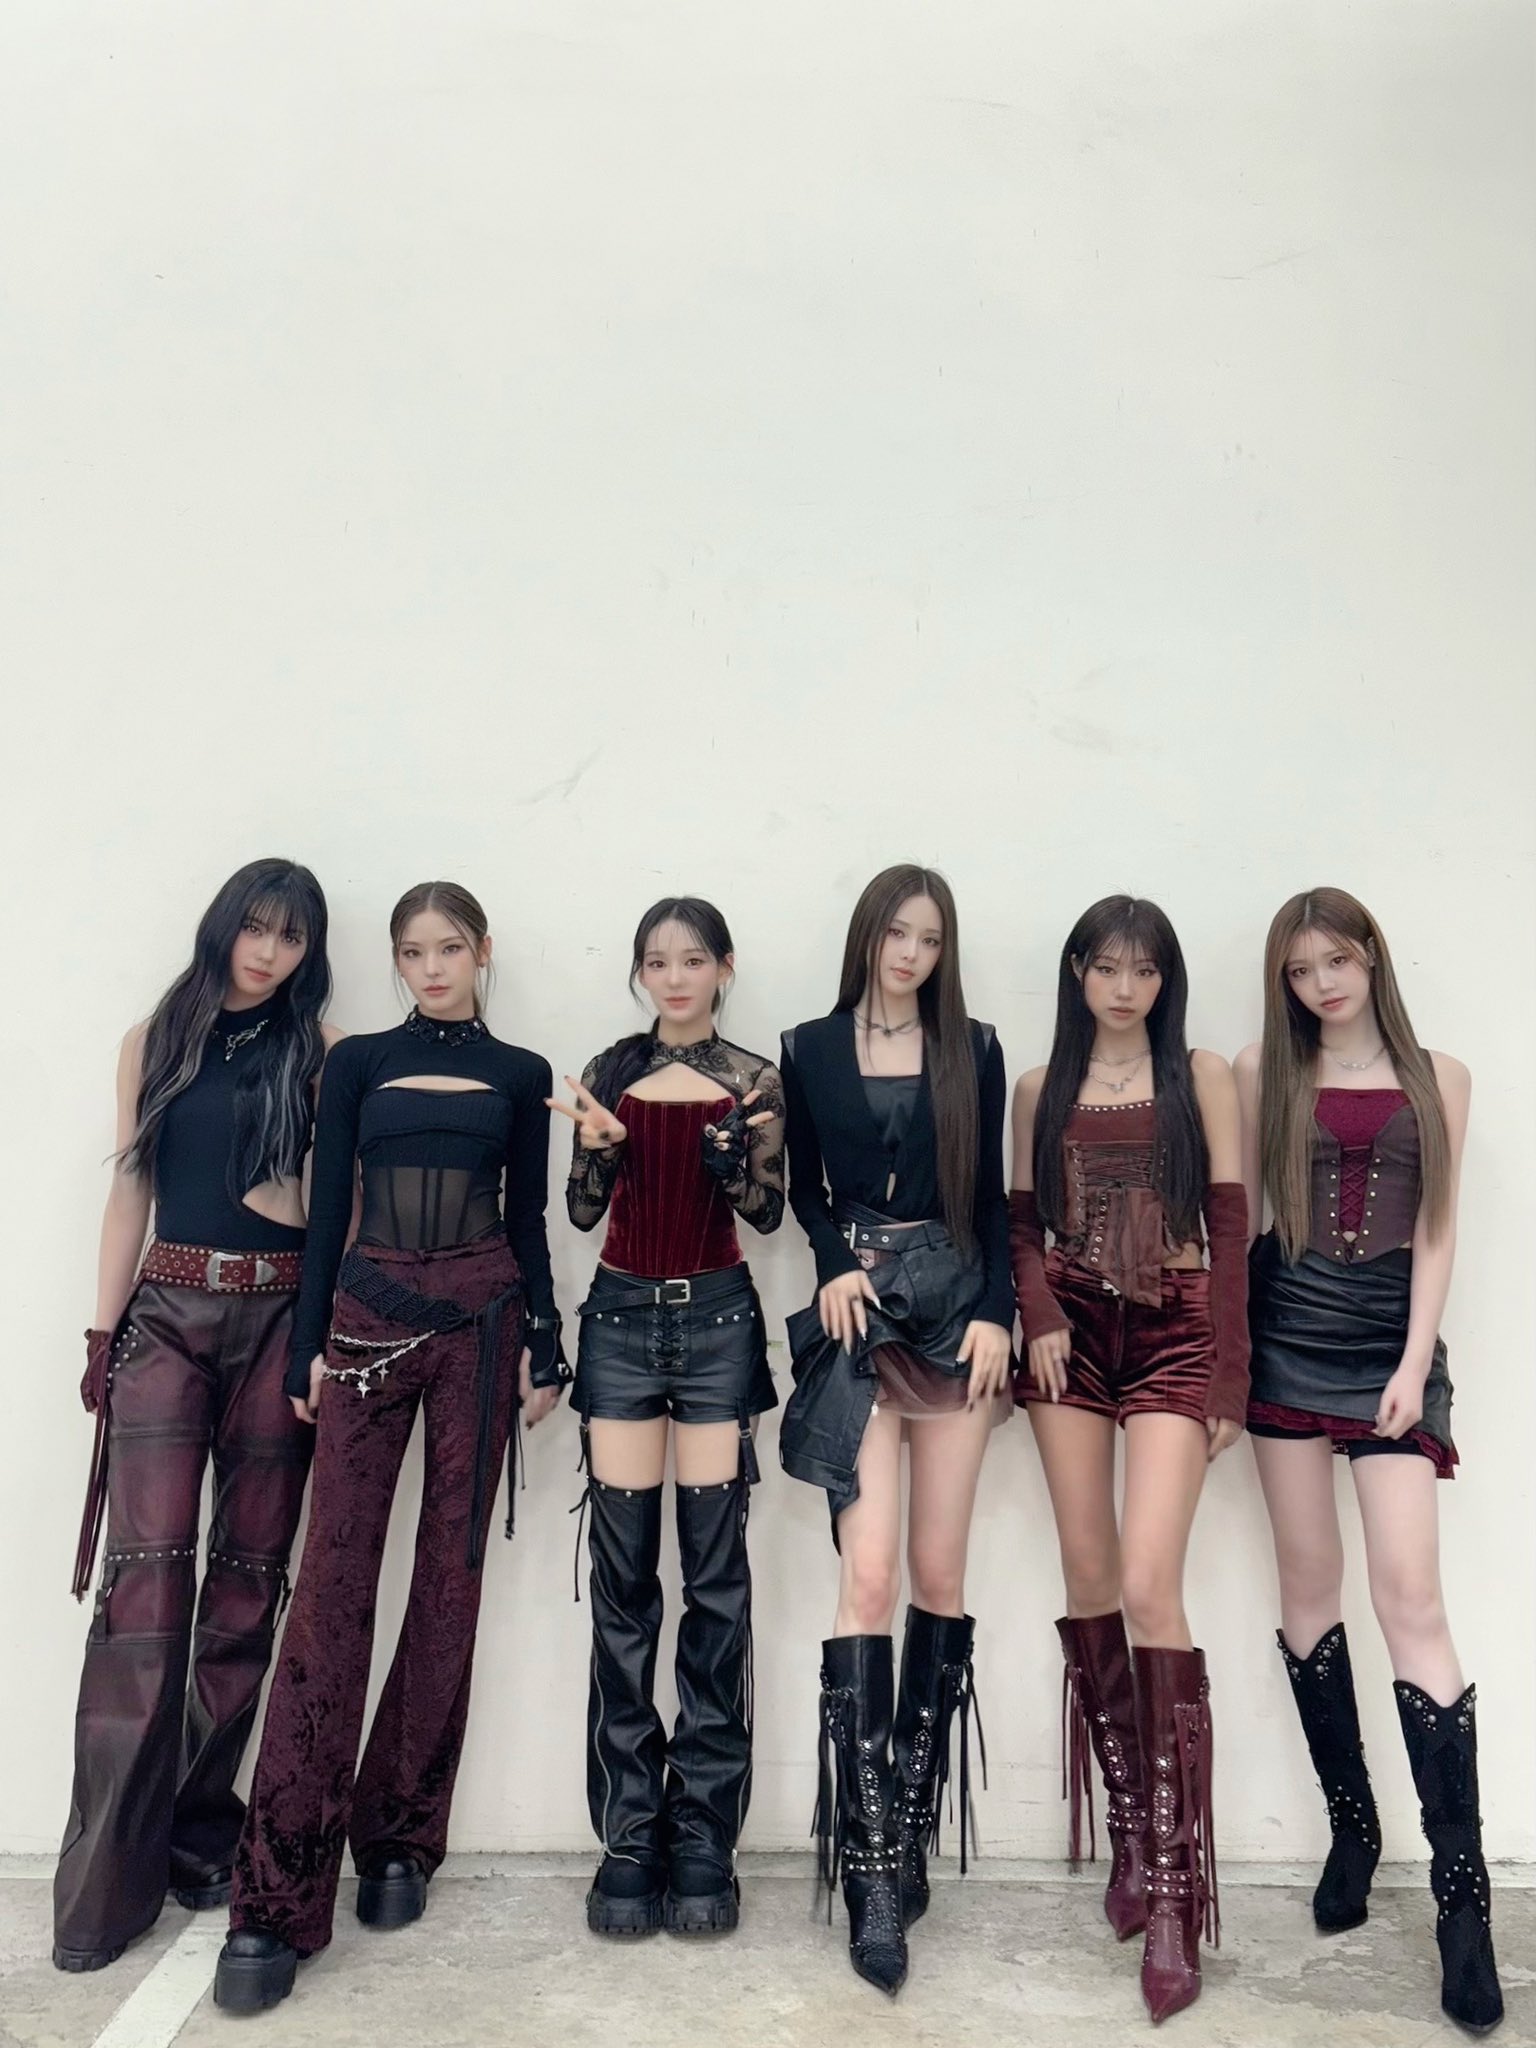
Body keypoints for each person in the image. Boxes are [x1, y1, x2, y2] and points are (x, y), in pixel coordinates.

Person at [214, 882, 564, 2014]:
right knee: (332, 1588)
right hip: (364, 1321)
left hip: (484, 1325)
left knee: (448, 1583)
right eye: (412, 951)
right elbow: (328, 1213)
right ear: (396, 961)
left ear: (482, 949)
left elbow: (527, 1219)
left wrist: (546, 1339)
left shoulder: (521, 1071)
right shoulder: (358, 1061)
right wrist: (307, 1346)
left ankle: (401, 1839)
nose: (431, 967)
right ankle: (275, 1899)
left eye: (449, 947)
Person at [54, 858, 335, 1973]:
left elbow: (331, 1208)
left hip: (278, 1318)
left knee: (249, 1580)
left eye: (290, 937)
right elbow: (131, 1185)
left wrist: (320, 1337)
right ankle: (106, 1879)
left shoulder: (319, 1052)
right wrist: (101, 1333)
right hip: (166, 1315)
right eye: (254, 928)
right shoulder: (155, 1039)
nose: (267, 952)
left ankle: (201, 1833)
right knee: (144, 1585)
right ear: (222, 927)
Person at [1236, 887, 1501, 2034]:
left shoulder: (1442, 1074)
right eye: (1301, 970)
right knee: (1308, 1584)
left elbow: (1438, 1227)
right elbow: (1242, 1212)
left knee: (1412, 1600)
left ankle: (1463, 1901)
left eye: (1337, 960)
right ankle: (1354, 1826)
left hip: (1390, 1344)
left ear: (1372, 958)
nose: (1323, 984)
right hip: (1288, 1336)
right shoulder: (1265, 1068)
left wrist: (1411, 1359)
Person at [1009, 894, 1247, 2024]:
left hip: (1174, 1327)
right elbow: (1019, 1226)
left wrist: (1231, 1374)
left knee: (1154, 1584)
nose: (1124, 987)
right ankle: (1134, 1834)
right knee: (1090, 1573)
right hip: (1071, 1333)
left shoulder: (1201, 1073)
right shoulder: (1039, 1085)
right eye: (1106, 967)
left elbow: (1232, 1228)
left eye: (1144, 970)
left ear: (1166, 979)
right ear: (1077, 972)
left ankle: (1176, 1892)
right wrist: (1040, 1312)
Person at [778, 863, 1011, 1996]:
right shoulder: (810, 1046)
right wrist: (832, 1262)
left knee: (939, 1573)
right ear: (867, 935)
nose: (911, 953)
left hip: (959, 1316)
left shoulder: (976, 1046)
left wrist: (1001, 1312)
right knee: (866, 1577)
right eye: (896, 933)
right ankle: (872, 1867)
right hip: (861, 1315)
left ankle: (909, 1825)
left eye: (930, 938)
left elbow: (994, 1200)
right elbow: (805, 1189)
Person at [552, 897, 783, 1939]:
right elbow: (581, 1211)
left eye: (694, 959)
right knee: (625, 1585)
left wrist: (730, 1159)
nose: (676, 976)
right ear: (641, 972)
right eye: (657, 960)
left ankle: (704, 1835)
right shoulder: (606, 1071)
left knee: (716, 1582)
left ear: (725, 966)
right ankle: (630, 1831)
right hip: (618, 1322)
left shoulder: (756, 1078)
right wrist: (601, 1148)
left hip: (720, 1322)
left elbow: (768, 1212)